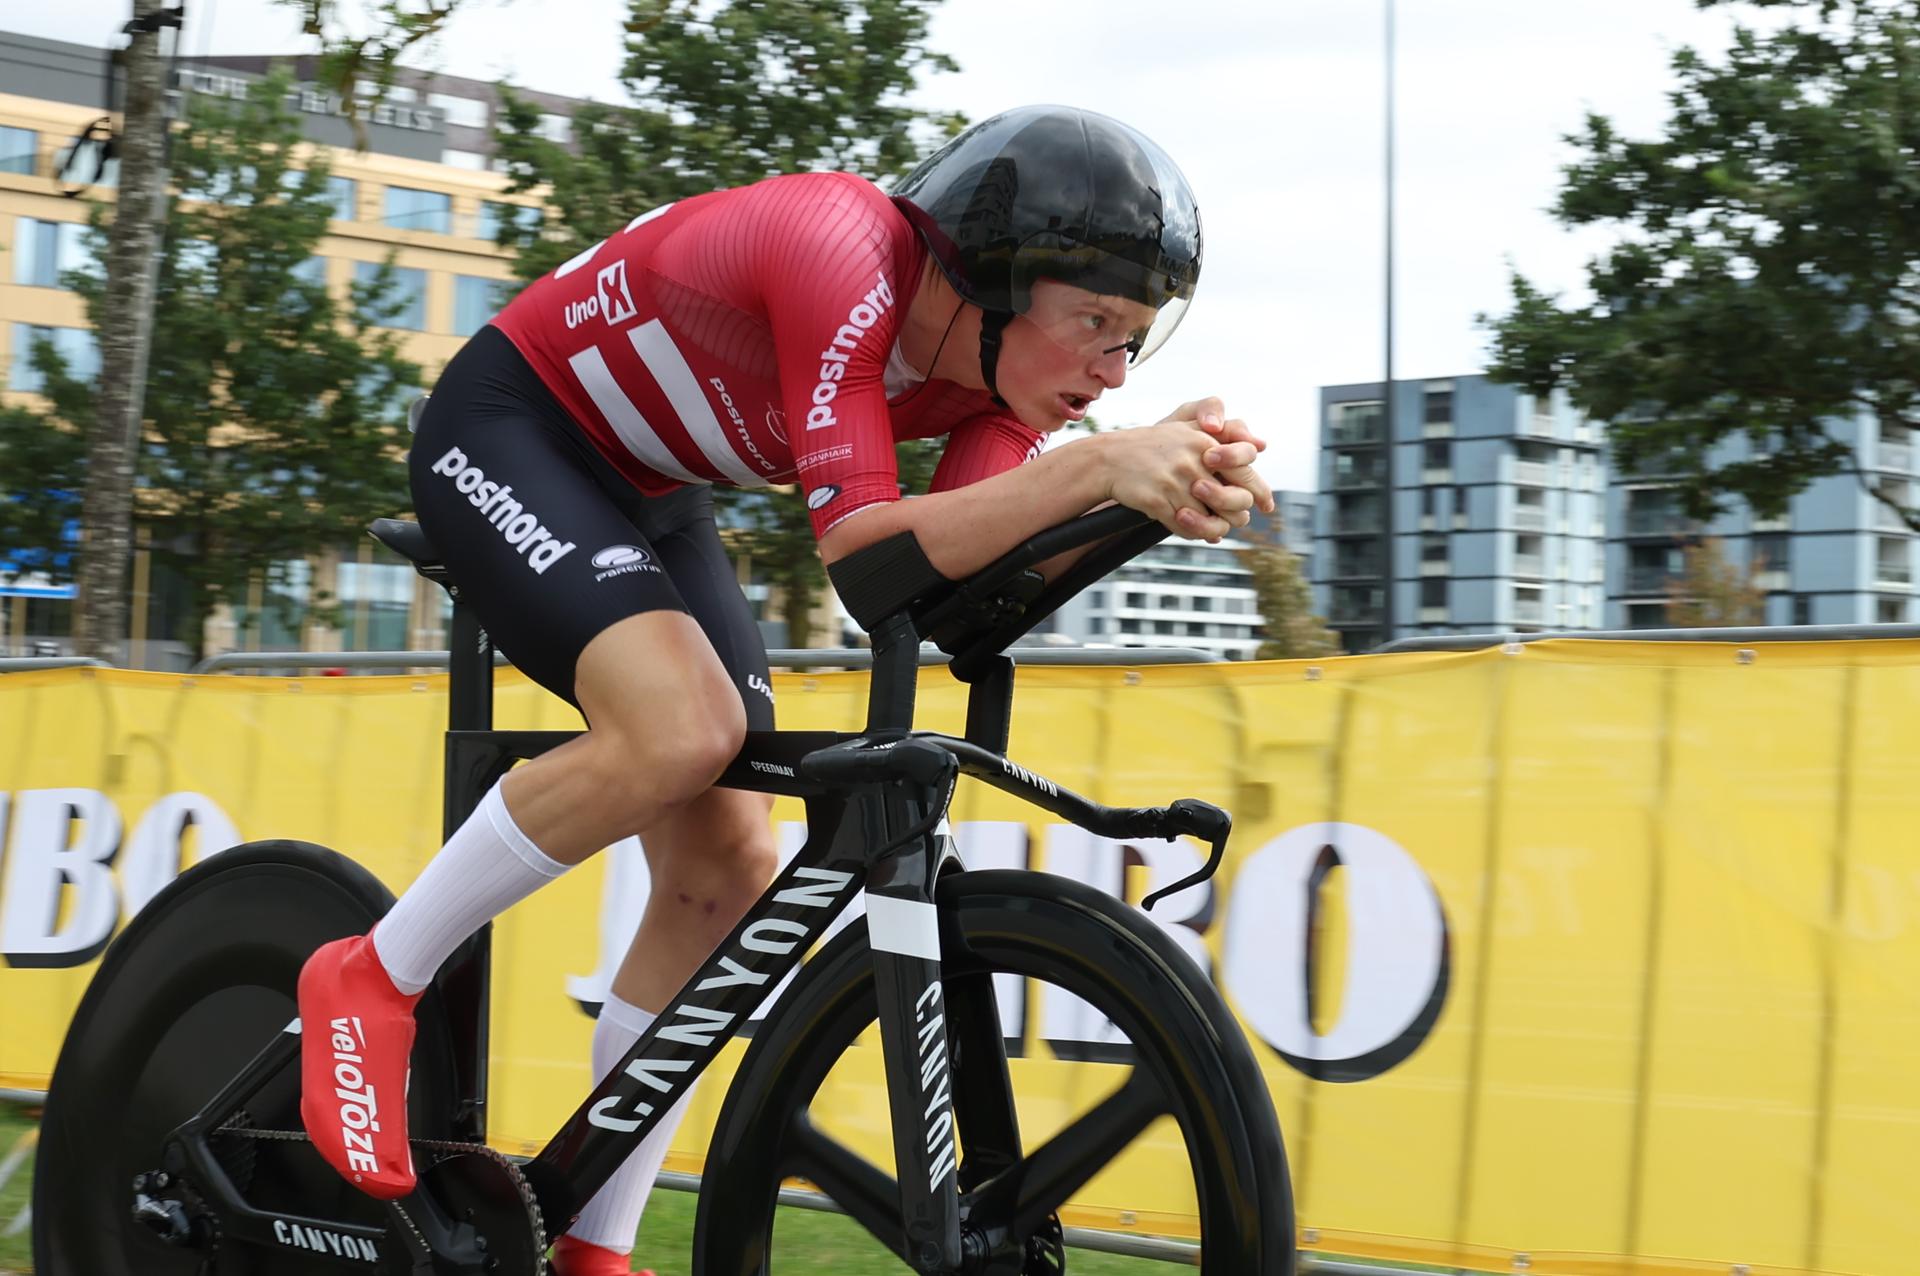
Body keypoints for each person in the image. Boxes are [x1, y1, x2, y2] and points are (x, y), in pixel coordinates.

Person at [296, 103, 1272, 1276]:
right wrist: (1098, 466)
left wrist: (1140, 498)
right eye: (1098, 326)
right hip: (512, 427)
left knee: (726, 868)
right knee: (682, 729)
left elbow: (953, 594)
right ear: (997, 283)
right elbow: (866, 558)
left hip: (651, 489)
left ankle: (589, 1248)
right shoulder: (840, 246)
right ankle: (372, 970)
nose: (1114, 370)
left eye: (1138, 341)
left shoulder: (995, 388)